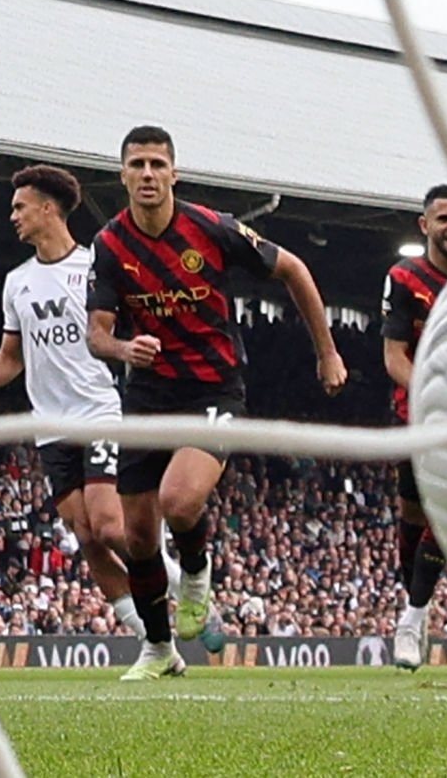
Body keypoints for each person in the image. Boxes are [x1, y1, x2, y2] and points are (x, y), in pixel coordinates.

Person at [87, 125, 348, 680]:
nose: (148, 174)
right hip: (148, 394)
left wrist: (326, 352)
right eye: (138, 165)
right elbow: (97, 334)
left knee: (179, 503)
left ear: (174, 173)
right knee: (136, 535)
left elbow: (294, 269)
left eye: (158, 164)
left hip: (213, 387)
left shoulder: (213, 229)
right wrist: (121, 348)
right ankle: (159, 651)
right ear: (123, 175)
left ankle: (198, 575)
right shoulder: (110, 246)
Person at [0, 165, 146, 653]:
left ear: (49, 209)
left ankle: (187, 583)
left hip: (98, 409)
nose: (13, 217)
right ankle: (153, 640)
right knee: (86, 535)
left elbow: (119, 333)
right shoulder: (16, 284)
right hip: (50, 425)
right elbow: (10, 360)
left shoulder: (93, 269)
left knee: (109, 524)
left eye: (20, 207)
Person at [380, 184, 447, 671]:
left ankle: (411, 620)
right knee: (412, 519)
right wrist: (435, 397)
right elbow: (394, 358)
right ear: (425, 226)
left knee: (445, 516)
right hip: (415, 415)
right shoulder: (405, 277)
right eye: (444, 220)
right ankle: (416, 600)